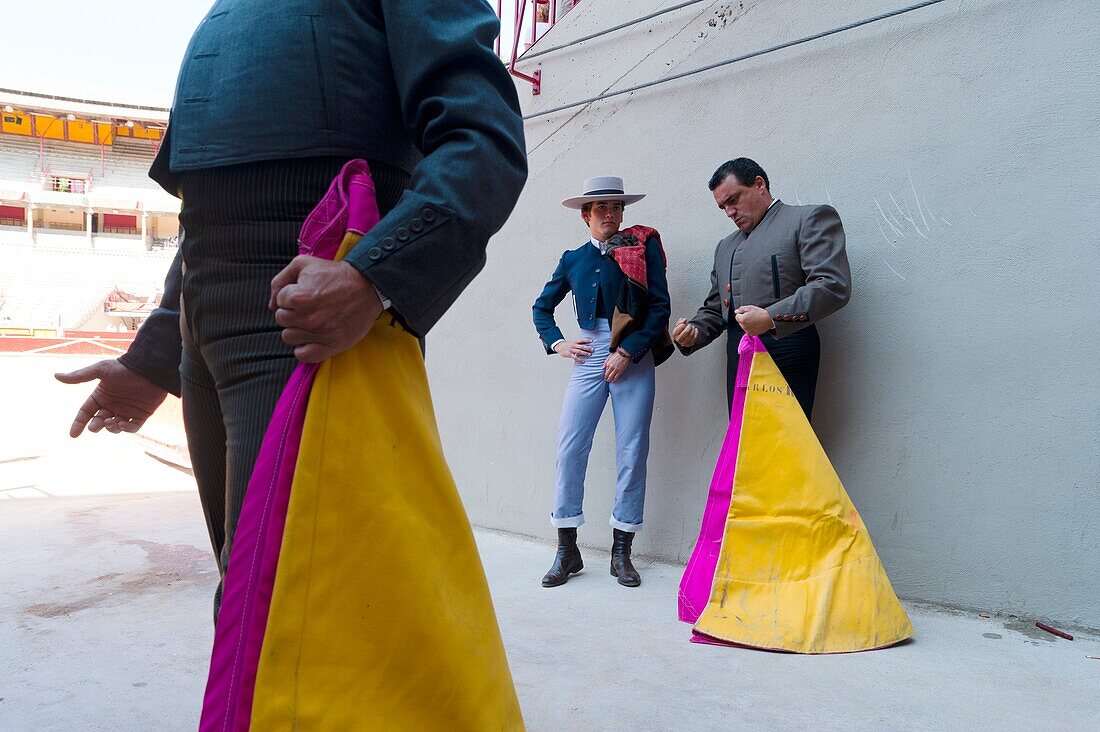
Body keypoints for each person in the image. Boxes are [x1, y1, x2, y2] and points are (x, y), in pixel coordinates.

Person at [55, 1, 527, 727]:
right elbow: (206, 221)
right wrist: (155, 358)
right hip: (213, 316)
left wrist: (373, 273)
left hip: (316, 303)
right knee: (248, 598)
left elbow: (483, 140)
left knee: (298, 609)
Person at [533, 175, 671, 588]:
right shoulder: (572, 258)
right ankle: (566, 549)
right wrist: (558, 343)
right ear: (585, 215)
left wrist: (629, 352)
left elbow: (660, 308)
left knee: (632, 447)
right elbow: (542, 308)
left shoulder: (640, 248)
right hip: (590, 352)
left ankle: (621, 552)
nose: (610, 215)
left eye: (616, 207)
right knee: (570, 445)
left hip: (633, 354)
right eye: (601, 209)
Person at [673, 158, 850, 417]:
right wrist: (694, 330)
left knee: (787, 448)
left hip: (789, 352)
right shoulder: (725, 246)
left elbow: (832, 285)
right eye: (723, 207)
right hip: (738, 360)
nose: (730, 212)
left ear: (759, 185)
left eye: (733, 200)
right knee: (744, 448)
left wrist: (769, 317)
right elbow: (716, 307)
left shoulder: (807, 219)